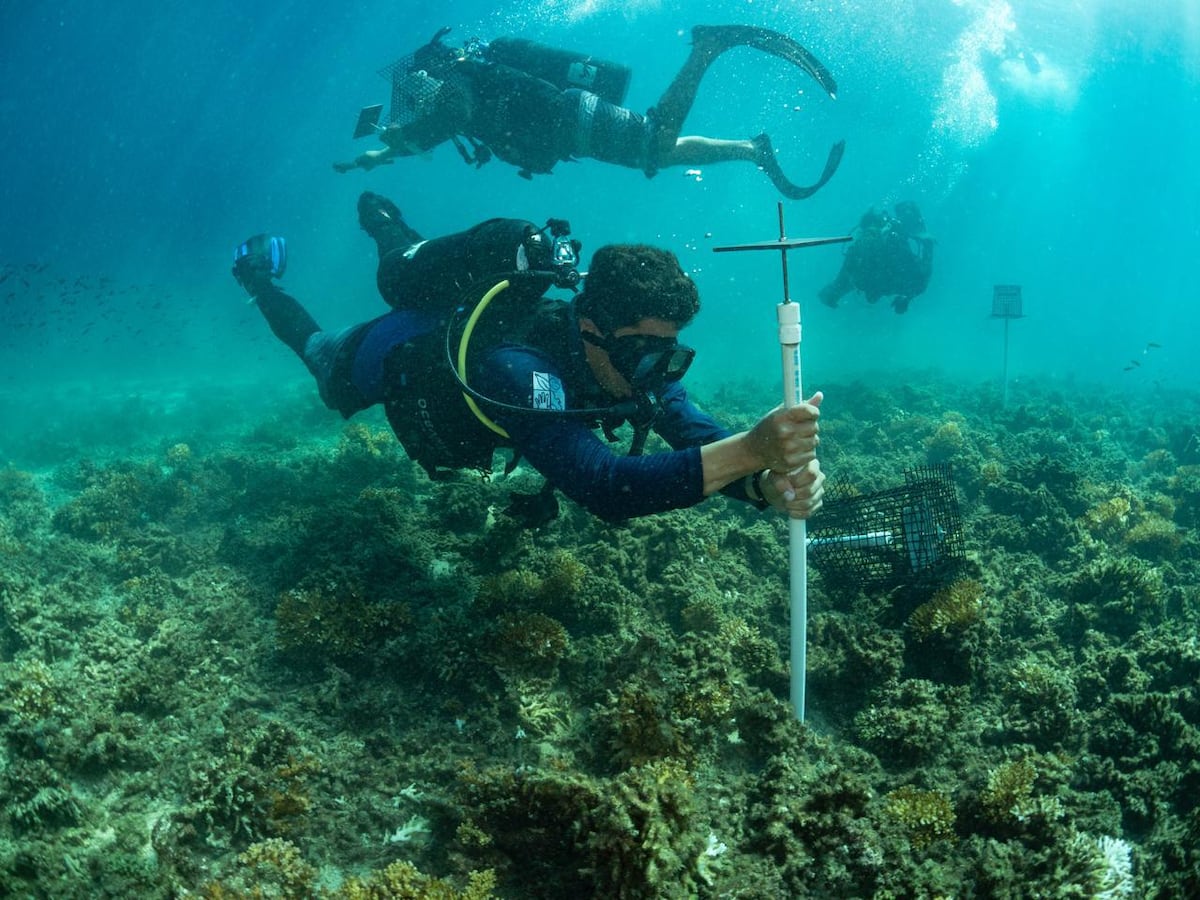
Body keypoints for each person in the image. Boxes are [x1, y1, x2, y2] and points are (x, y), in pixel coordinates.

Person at [231, 191, 824, 524]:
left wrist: (761, 486)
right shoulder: (517, 370)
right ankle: (261, 278)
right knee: (318, 352)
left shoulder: (635, 360)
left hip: (469, 344)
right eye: (644, 352)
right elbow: (605, 486)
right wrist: (752, 450)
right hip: (392, 352)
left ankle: (392, 229)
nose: (659, 372)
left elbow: (693, 432)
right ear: (590, 329)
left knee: (406, 267)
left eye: (669, 352)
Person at [333, 25, 845, 201]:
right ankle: (753, 150)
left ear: (429, 72)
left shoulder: (456, 82)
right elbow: (446, 123)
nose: (416, 96)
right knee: (656, 154)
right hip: (572, 129)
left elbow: (448, 117)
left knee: (654, 142)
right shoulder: (458, 84)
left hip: (571, 119)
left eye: (416, 87)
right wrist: (377, 156)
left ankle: (708, 47)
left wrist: (404, 137)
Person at [818, 201, 934, 313]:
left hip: (862, 273)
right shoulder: (896, 237)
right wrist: (928, 247)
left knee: (839, 286)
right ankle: (832, 297)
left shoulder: (883, 230)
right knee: (915, 282)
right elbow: (919, 282)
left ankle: (829, 298)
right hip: (875, 277)